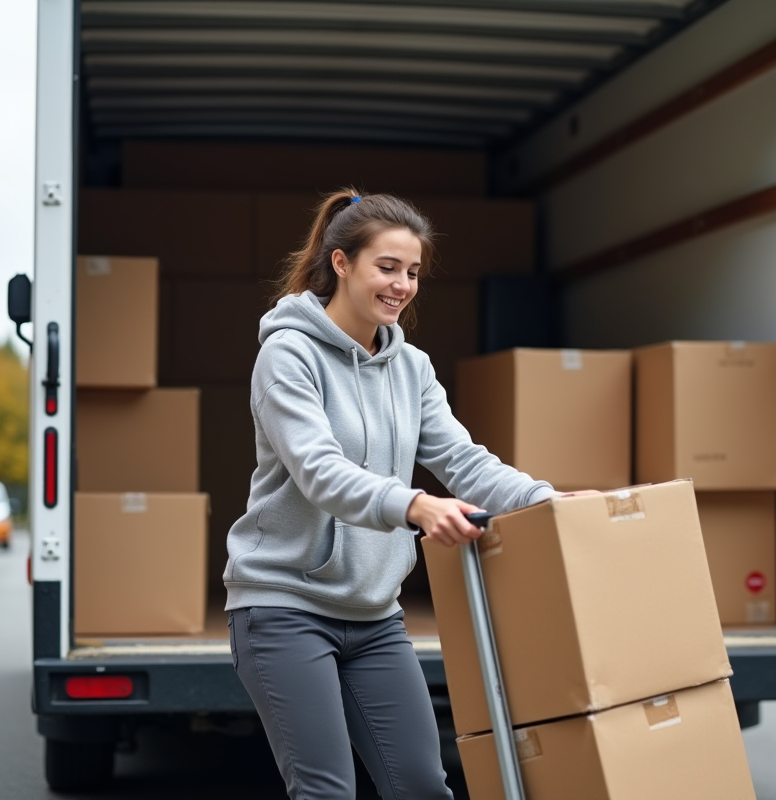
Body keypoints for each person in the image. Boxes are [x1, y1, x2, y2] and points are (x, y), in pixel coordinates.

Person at [224, 188, 557, 799]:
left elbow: (461, 459)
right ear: (342, 263)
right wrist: (414, 505)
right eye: (387, 267)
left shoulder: (413, 367)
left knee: (423, 786)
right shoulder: (287, 354)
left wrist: (550, 502)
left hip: (375, 616)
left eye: (412, 272)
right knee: (328, 792)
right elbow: (319, 470)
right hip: (284, 609)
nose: (402, 285)